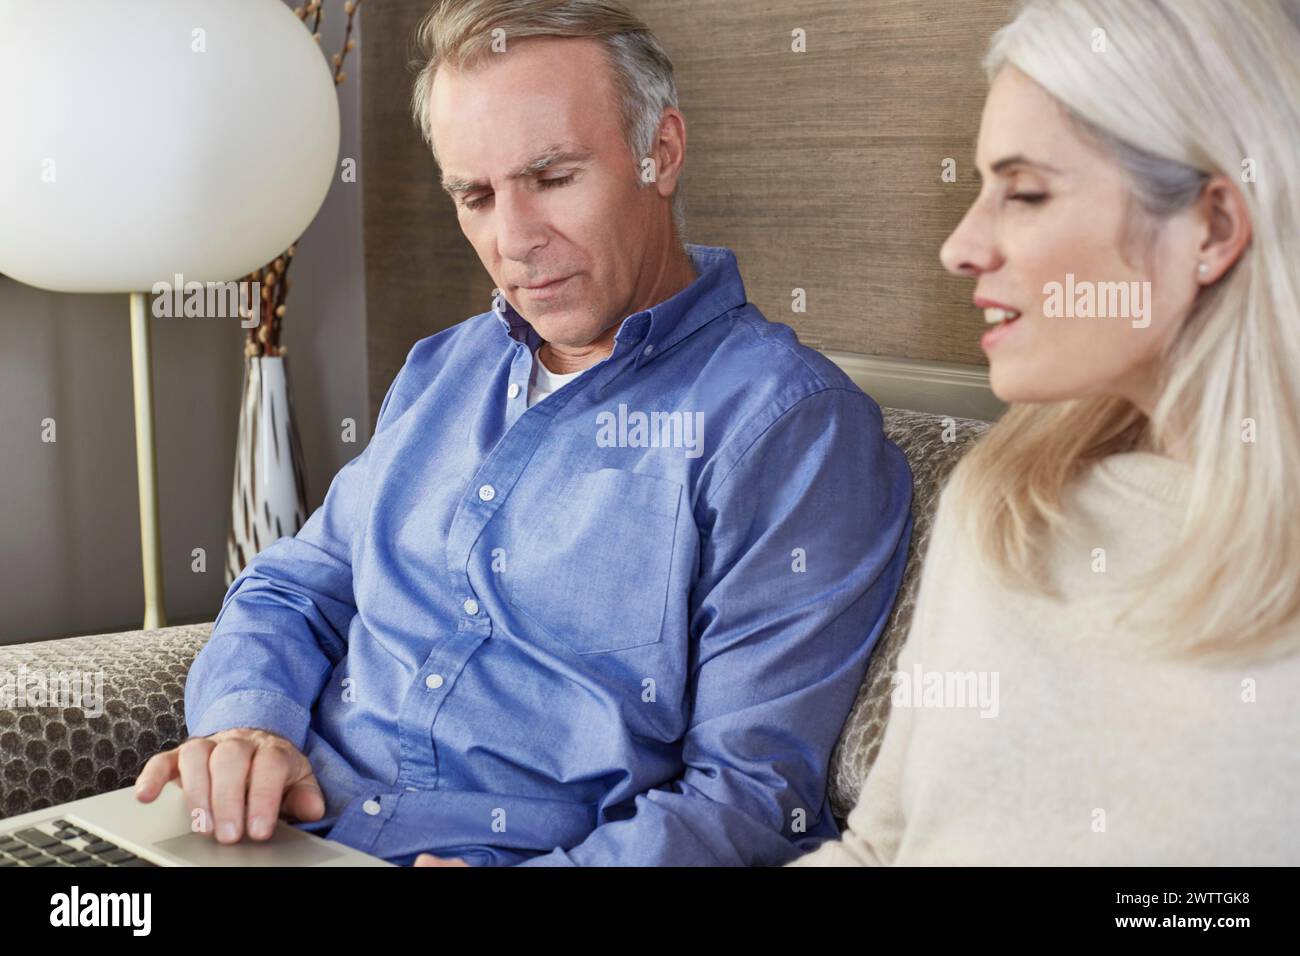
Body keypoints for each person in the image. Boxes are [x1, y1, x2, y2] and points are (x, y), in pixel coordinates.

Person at [134, 0, 914, 867]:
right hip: (270, 839)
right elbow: (295, 591)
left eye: (552, 177)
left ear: (660, 151)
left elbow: (750, 802)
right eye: (476, 194)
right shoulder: (445, 370)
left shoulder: (790, 428)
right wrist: (248, 725)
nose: (513, 242)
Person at [789, 0, 1300, 866]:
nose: (959, 247)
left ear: (1211, 227)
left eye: (1024, 193)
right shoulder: (1006, 503)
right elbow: (881, 846)